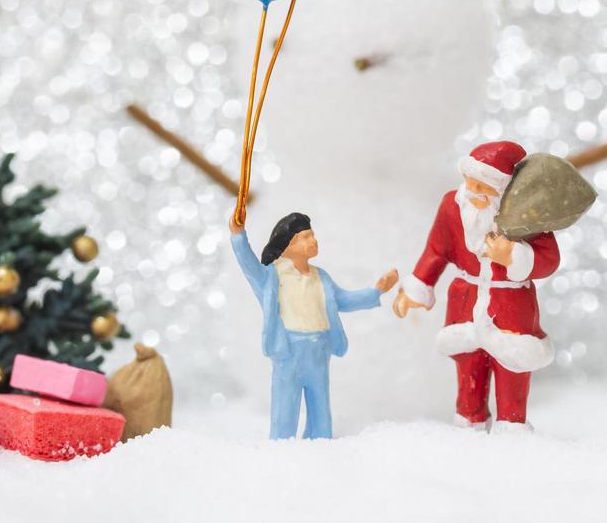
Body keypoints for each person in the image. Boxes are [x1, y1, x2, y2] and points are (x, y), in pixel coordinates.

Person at [393, 140, 560, 430]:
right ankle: (469, 427)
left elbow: (550, 259)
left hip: (511, 309)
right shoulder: (452, 205)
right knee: (468, 371)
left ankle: (512, 429)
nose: (473, 193)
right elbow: (437, 249)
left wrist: (513, 255)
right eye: (469, 183)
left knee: (512, 371)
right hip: (465, 303)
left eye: (483, 189)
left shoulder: (526, 217)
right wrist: (418, 287)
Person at [230, 210, 398, 439]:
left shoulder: (321, 277)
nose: (313, 241)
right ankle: (281, 449)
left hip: (319, 349)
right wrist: (238, 234)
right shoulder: (271, 277)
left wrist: (376, 290)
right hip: (288, 350)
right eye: (305, 237)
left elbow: (343, 300)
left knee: (320, 408)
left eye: (313, 235)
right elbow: (248, 264)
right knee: (284, 409)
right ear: (287, 244)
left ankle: (321, 446)